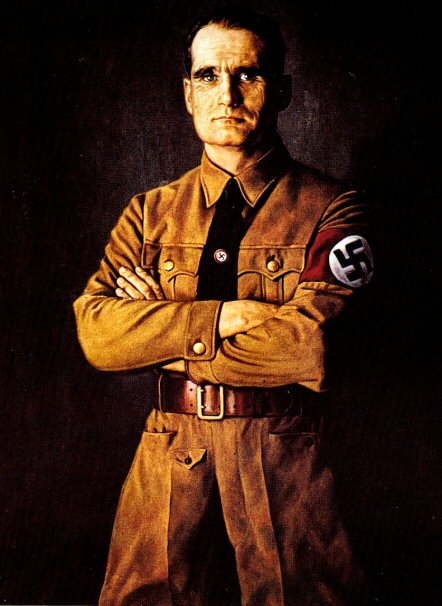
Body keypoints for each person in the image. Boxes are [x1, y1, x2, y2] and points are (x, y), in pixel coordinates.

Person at [74, 6, 374, 605]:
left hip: (284, 459)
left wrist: (160, 335)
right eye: (208, 76)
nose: (227, 94)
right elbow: (97, 334)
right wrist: (224, 318)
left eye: (248, 75)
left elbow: (310, 346)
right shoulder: (149, 214)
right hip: (169, 456)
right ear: (188, 94)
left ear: (282, 91)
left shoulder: (333, 209)